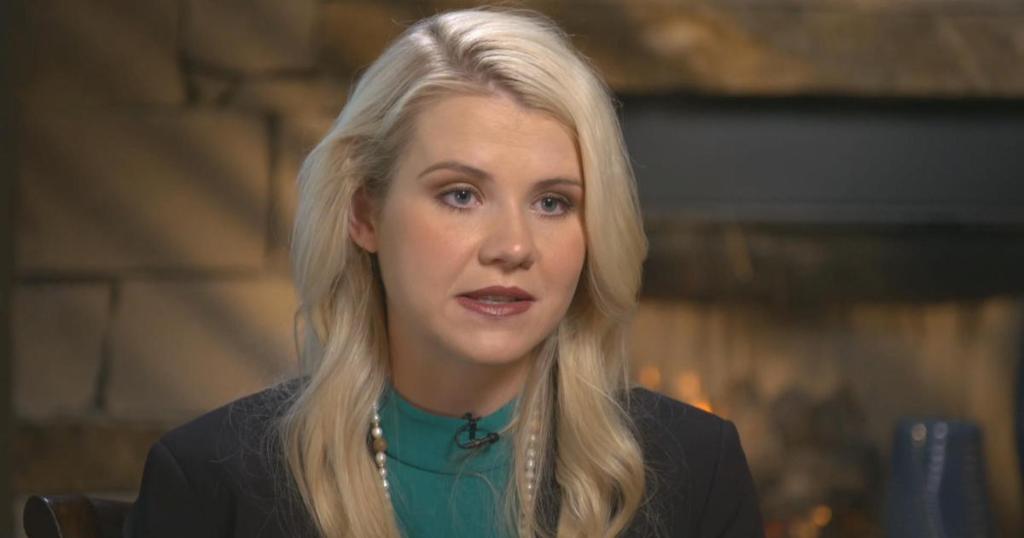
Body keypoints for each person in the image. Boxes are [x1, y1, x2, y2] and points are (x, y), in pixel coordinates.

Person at [125, 7, 764, 538]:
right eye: (460, 194)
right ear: (364, 215)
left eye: (552, 202)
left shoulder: (697, 471)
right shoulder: (211, 483)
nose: (513, 247)